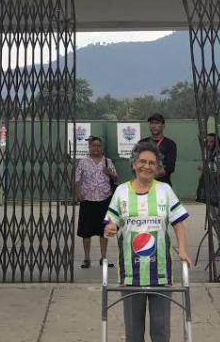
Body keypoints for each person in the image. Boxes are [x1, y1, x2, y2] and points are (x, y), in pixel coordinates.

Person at [104, 143, 192, 342]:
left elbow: (178, 224)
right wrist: (110, 228)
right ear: (134, 164)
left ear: (157, 167)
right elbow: (112, 222)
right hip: (130, 273)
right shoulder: (121, 192)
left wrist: (183, 250)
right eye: (142, 161)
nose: (147, 166)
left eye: (152, 163)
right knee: (133, 333)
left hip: (160, 272)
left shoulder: (165, 190)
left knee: (161, 331)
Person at [74, 136, 117, 269]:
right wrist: (78, 194)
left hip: (104, 199)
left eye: (98, 146)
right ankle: (87, 258)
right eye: (93, 146)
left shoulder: (107, 162)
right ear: (89, 147)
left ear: (102, 148)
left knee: (104, 230)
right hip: (88, 200)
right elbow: (76, 179)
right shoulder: (83, 162)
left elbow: (116, 178)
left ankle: (103, 257)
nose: (96, 148)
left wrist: (110, 173)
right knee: (86, 231)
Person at [141, 113, 177, 186]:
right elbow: (135, 163)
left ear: (163, 126)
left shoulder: (170, 144)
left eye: (157, 123)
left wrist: (151, 175)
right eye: (152, 123)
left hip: (162, 185)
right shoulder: (142, 143)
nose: (154, 126)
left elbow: (170, 167)